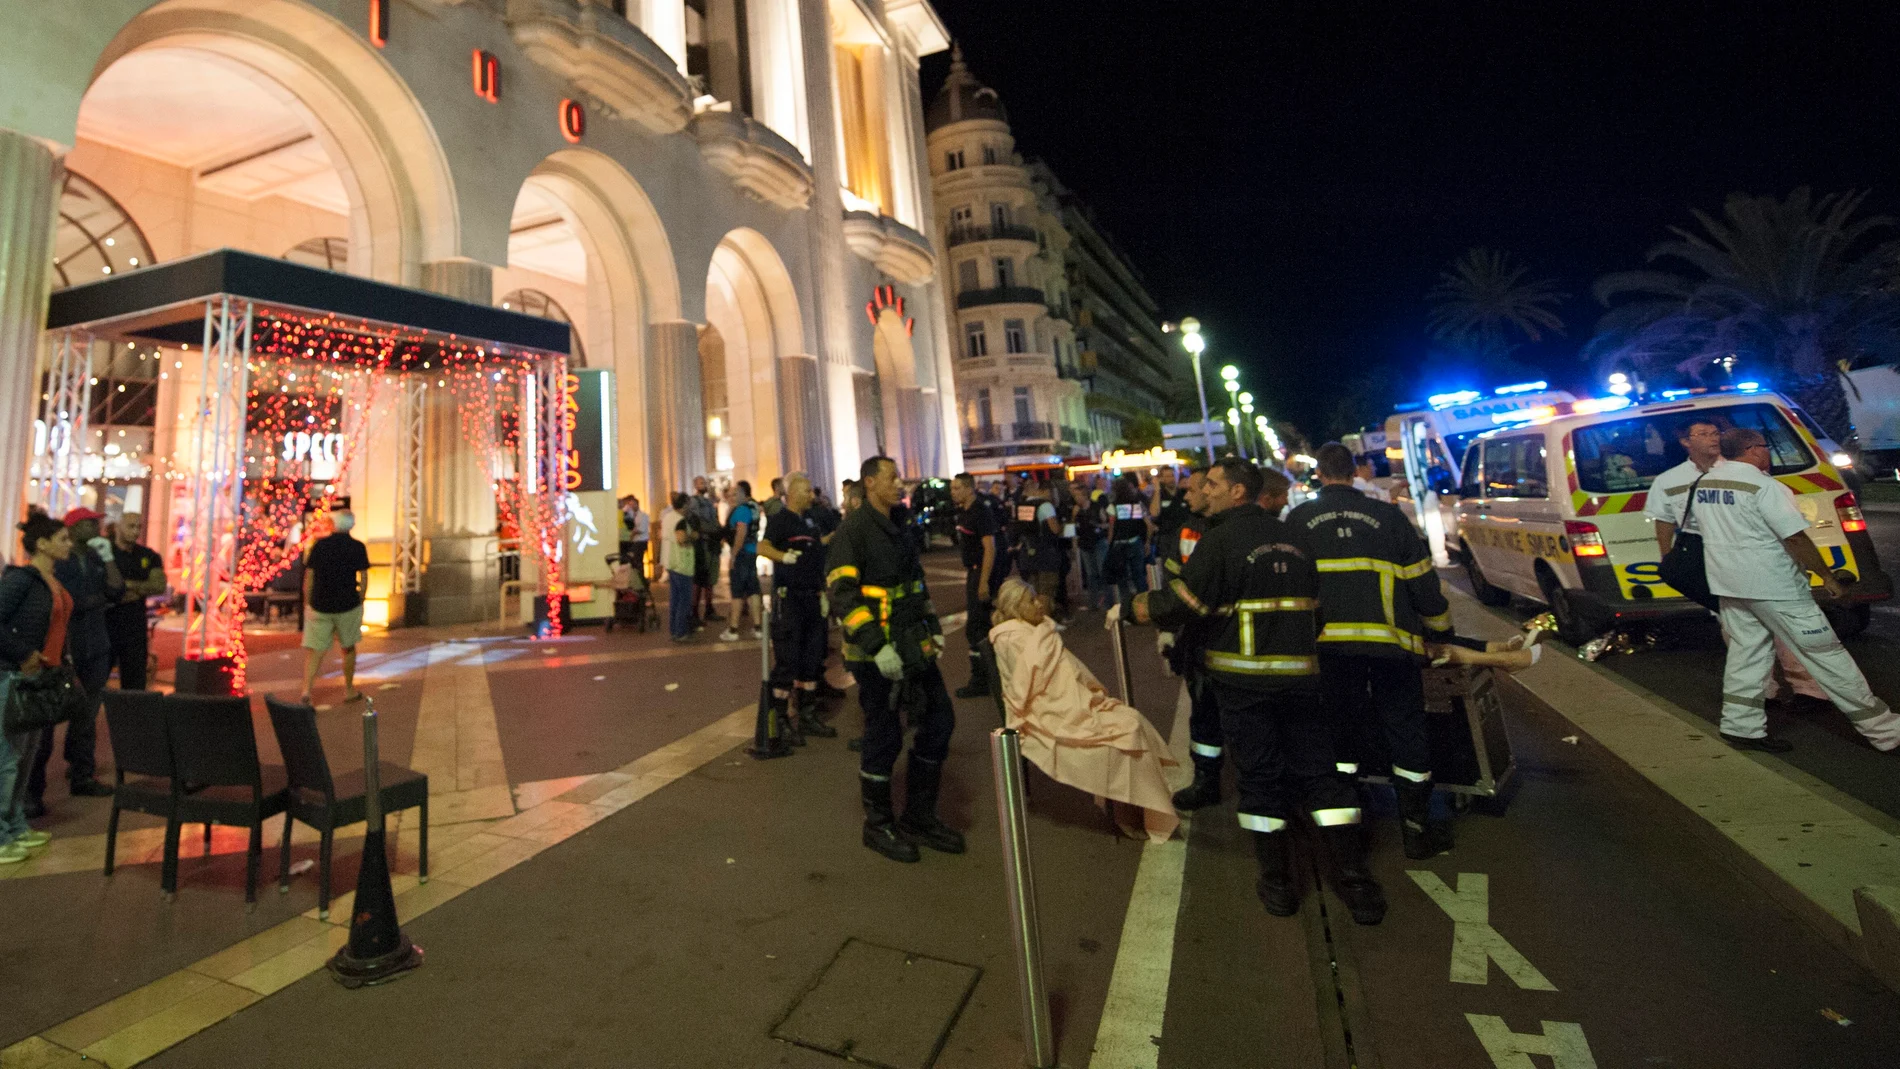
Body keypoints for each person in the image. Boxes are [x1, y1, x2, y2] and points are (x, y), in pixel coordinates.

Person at [1125, 457, 1386, 924]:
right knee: (1321, 774)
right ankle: (1354, 879)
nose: (1206, 490)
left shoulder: (1220, 540)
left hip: (1244, 683)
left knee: (1261, 778)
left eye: (1215, 484)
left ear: (1238, 492)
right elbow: (1318, 607)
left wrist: (1132, 608)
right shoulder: (1295, 536)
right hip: (1303, 679)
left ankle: (1278, 882)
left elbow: (1184, 603)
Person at [1287, 442, 1453, 860]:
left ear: (1320, 475)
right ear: (1355, 471)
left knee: (1341, 729)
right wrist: (1440, 632)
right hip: (1392, 646)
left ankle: (1350, 829)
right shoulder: (1389, 517)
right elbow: (1423, 584)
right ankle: (1415, 829)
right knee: (1405, 728)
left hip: (1328, 649)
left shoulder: (1299, 520)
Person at [1699, 427, 1900, 752]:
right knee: (1827, 654)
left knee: (1746, 653)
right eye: (1764, 447)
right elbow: (1794, 537)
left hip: (1731, 585)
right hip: (1775, 586)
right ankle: (1886, 731)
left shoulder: (1706, 484)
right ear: (1752, 449)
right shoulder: (1764, 486)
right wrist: (1829, 578)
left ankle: (1741, 726)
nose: (1767, 453)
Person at [828, 455, 963, 863]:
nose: (900, 483)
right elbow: (844, 595)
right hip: (876, 655)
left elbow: (914, 583)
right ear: (870, 483)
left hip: (911, 644)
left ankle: (919, 815)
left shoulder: (899, 527)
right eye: (892, 477)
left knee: (939, 720)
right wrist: (876, 645)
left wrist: (932, 626)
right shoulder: (852, 533)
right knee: (884, 736)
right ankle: (878, 823)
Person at [1647, 418, 1828, 710]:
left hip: (1761, 555)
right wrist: (1667, 556)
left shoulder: (1740, 470)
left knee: (1786, 627)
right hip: (1716, 560)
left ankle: (1808, 690)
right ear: (1685, 442)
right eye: (1702, 433)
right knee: (1739, 632)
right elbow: (1664, 519)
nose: (1712, 438)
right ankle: (1762, 693)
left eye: (1715, 432)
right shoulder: (1668, 481)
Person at [990, 578, 1179, 842]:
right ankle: (1126, 808)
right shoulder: (1012, 637)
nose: (1039, 603)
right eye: (1031, 600)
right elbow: (1027, 686)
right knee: (1126, 731)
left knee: (1131, 721)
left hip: (1070, 701)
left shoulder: (1038, 630)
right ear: (1016, 607)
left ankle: (1136, 803)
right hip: (1050, 710)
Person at [27, 507, 122, 812]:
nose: (97, 525)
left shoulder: (95, 557)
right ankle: (33, 792)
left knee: (87, 714)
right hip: (64, 648)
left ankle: (82, 774)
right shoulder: (58, 564)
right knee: (46, 721)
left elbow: (117, 591)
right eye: (90, 522)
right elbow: (68, 603)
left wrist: (108, 560)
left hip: (96, 646)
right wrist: (95, 601)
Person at [0, 514, 73, 862]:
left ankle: (14, 826)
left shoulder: (51, 581)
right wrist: (23, 653)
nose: (69, 544)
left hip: (41, 678)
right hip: (15, 676)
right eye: (63, 538)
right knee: (8, 757)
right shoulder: (22, 579)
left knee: (26, 757)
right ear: (42, 544)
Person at [1161, 468, 1227, 811]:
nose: (1185, 497)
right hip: (1196, 633)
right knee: (1202, 710)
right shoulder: (1188, 527)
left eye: (1193, 490)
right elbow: (1172, 577)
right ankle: (1206, 780)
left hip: (1229, 633)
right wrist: (1168, 629)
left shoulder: (1230, 527)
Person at [756, 472, 837, 748]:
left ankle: (807, 714)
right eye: (805, 490)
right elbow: (762, 546)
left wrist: (823, 592)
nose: (810, 495)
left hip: (812, 598)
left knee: (812, 658)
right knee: (788, 658)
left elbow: (817, 552)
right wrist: (783, 557)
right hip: (789, 599)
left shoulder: (810, 521)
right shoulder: (780, 520)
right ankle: (779, 719)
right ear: (790, 493)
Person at [301, 508, 371, 706]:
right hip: (348, 604)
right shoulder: (357, 547)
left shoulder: (320, 545)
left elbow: (310, 576)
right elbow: (364, 576)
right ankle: (349, 689)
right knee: (348, 647)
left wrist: (308, 600)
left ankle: (307, 690)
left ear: (332, 525)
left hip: (320, 604)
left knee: (315, 649)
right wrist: (361, 597)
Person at [950, 473, 999, 698]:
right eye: (952, 488)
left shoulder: (980, 512)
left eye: (957, 488)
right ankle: (990, 676)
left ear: (969, 489)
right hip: (973, 572)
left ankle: (982, 680)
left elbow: (989, 548)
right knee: (981, 626)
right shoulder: (965, 513)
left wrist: (983, 582)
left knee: (977, 627)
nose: (953, 492)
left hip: (980, 572)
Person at [105, 512, 165, 691]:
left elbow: (158, 586)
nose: (136, 531)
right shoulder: (105, 553)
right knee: (97, 679)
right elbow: (103, 587)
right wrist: (136, 588)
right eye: (131, 526)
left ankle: (131, 717)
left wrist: (127, 585)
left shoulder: (149, 556)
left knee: (135, 681)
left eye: (138, 527)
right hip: (106, 623)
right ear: (117, 528)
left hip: (134, 626)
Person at [721, 481, 763, 641]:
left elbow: (740, 533)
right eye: (729, 495)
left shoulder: (741, 511)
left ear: (742, 495)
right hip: (751, 552)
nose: (731, 498)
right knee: (753, 589)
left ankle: (733, 629)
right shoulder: (751, 509)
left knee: (737, 591)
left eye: (734, 495)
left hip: (742, 554)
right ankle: (758, 627)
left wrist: (733, 554)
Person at [1011, 479, 1063, 607]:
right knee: (1046, 589)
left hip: (1027, 551)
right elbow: (1054, 529)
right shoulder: (1045, 505)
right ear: (1044, 491)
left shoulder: (1023, 505)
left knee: (1033, 588)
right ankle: (1045, 620)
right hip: (1045, 552)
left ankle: (1034, 618)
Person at [1106, 473, 1150, 602]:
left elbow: (1112, 528)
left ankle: (1126, 608)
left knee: (1122, 579)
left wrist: (1110, 545)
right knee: (1139, 576)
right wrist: (1147, 542)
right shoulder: (1137, 504)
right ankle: (1143, 605)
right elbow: (1149, 525)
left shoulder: (1113, 506)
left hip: (1119, 545)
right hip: (1136, 542)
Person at [659, 492, 696, 642]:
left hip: (670, 562)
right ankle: (681, 631)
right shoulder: (680, 521)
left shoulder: (668, 517)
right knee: (684, 600)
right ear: (685, 504)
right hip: (682, 563)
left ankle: (674, 630)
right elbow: (681, 539)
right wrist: (693, 536)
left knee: (675, 598)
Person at [689, 476, 721, 627]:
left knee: (710, 578)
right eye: (701, 483)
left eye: (705, 483)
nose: (704, 485)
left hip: (712, 542)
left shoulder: (709, 502)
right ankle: (694, 611)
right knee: (700, 578)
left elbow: (714, 519)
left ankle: (709, 608)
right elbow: (696, 521)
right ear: (695, 485)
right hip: (702, 543)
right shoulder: (694, 502)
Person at [1072, 482, 1109, 610]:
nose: (1076, 498)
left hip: (1098, 542)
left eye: (1078, 496)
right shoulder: (1076, 510)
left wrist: (1099, 527)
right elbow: (1073, 527)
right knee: (1090, 574)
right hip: (1085, 544)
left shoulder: (1096, 507)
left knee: (1101, 571)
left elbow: (1106, 523)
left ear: (1085, 496)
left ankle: (1107, 601)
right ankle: (1093, 603)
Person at [622, 496, 650, 581]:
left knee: (638, 561)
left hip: (641, 541)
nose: (631, 506)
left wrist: (632, 534)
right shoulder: (630, 515)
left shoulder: (644, 515)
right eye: (629, 505)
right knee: (635, 561)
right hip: (634, 541)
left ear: (637, 504)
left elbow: (641, 529)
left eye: (633, 504)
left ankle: (642, 580)